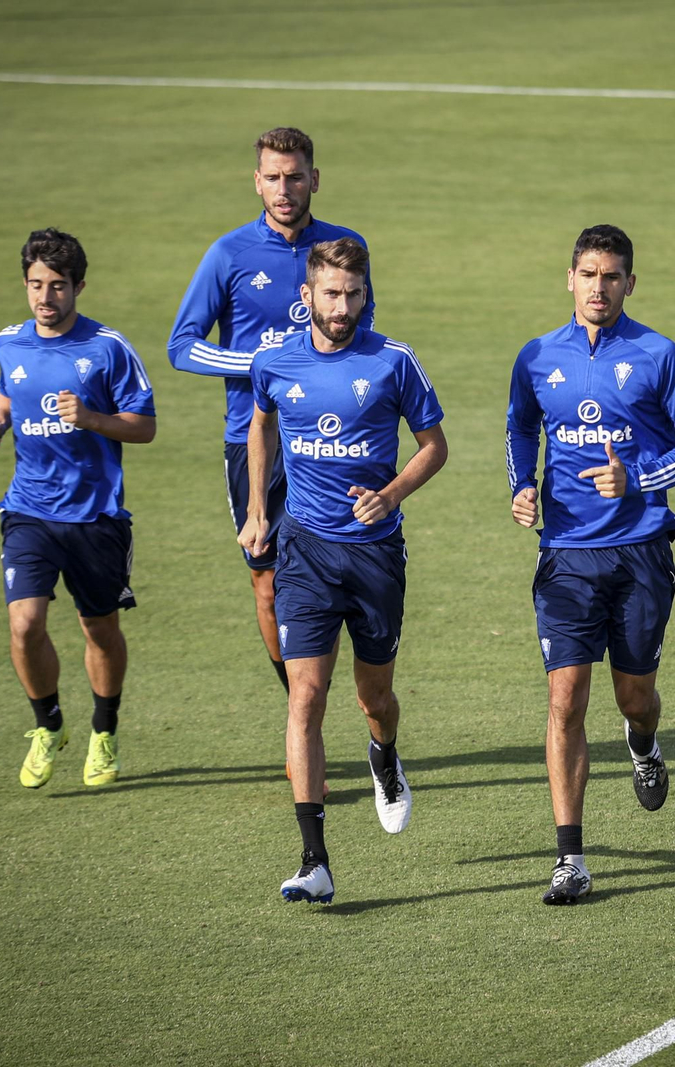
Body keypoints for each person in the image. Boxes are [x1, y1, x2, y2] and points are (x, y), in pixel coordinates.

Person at [506, 224, 675, 905]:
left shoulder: (658, 354)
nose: (599, 287)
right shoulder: (537, 356)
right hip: (566, 554)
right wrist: (522, 483)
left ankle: (644, 743)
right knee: (565, 698)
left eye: (613, 276)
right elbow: (520, 425)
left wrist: (642, 480)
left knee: (634, 696)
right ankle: (570, 858)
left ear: (631, 283)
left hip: (641, 552)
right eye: (588, 274)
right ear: (569, 278)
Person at [239, 237, 446, 904]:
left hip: (375, 553)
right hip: (304, 550)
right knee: (306, 695)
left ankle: (384, 756)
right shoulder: (273, 361)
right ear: (307, 297)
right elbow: (259, 425)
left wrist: (391, 494)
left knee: (373, 697)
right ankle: (314, 859)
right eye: (331, 293)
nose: (343, 306)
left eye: (354, 293)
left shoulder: (393, 360)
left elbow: (434, 446)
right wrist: (256, 509)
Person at [168, 127, 374, 744]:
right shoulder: (228, 254)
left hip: (334, 444)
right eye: (272, 177)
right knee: (266, 582)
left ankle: (361, 710)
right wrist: (262, 365)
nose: (284, 189)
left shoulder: (345, 248)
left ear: (315, 178)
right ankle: (302, 714)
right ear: (256, 181)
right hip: (252, 441)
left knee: (356, 570)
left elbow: (363, 332)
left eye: (295, 176)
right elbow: (182, 346)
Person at [0, 227, 157, 789]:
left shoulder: (108, 348)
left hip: (95, 517)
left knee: (99, 629)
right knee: (25, 623)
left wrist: (92, 419)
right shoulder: (10, 341)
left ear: (79, 286)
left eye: (57, 286)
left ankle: (104, 731)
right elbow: (10, 388)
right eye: (35, 285)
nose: (44, 298)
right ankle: (48, 724)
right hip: (28, 509)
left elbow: (145, 427)